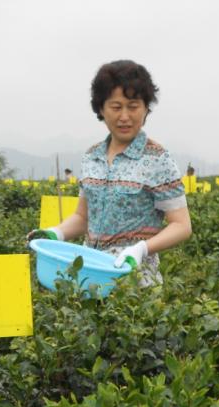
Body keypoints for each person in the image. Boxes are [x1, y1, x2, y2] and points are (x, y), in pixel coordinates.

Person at [28, 60, 192, 286]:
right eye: (116, 107)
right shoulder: (91, 157)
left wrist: (142, 249)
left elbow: (182, 225)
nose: (124, 116)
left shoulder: (157, 159)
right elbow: (83, 217)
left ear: (145, 109)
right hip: (88, 275)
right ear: (101, 109)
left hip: (136, 284)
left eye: (133, 106)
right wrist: (55, 233)